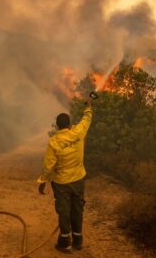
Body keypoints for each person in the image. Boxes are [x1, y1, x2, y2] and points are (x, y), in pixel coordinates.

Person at [37, 99, 93, 253]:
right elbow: (86, 120)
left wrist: (43, 182)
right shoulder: (78, 132)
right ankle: (78, 241)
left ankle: (64, 243)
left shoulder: (54, 142)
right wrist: (88, 107)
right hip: (79, 180)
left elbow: (48, 166)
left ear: (57, 126)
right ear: (68, 124)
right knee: (77, 209)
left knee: (63, 211)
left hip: (61, 183)